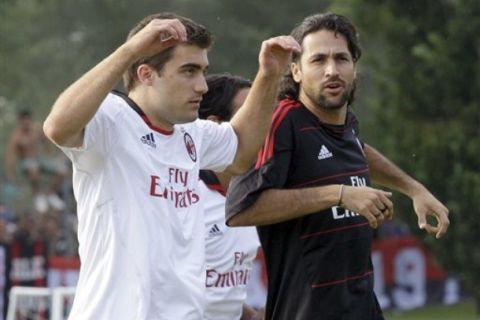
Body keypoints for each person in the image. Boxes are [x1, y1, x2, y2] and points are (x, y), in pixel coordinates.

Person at [43, 12, 299, 320]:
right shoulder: (112, 118)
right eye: (189, 71)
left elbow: (242, 150)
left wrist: (269, 74)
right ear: (147, 74)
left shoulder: (190, 132)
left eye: (203, 71)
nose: (203, 86)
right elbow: (57, 127)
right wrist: (130, 50)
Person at [225, 13, 450, 320]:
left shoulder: (346, 123)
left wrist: (414, 189)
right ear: (296, 71)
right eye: (318, 60)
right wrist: (339, 194)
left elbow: (356, 148)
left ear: (354, 68)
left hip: (361, 306)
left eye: (341, 59)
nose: (332, 70)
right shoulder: (283, 121)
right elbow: (240, 209)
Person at [199, 74, 263, 320]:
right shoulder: (183, 197)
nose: (263, 127)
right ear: (215, 126)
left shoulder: (254, 197)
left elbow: (223, 302)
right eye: (251, 115)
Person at [4, 110, 67, 213]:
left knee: (62, 171)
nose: (27, 124)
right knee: (34, 170)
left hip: (40, 159)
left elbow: (47, 140)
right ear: (20, 122)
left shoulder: (36, 130)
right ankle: (38, 195)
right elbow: (10, 156)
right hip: (26, 162)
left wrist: (50, 154)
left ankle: (51, 194)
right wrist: (10, 173)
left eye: (28, 121)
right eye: (24, 122)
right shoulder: (16, 137)